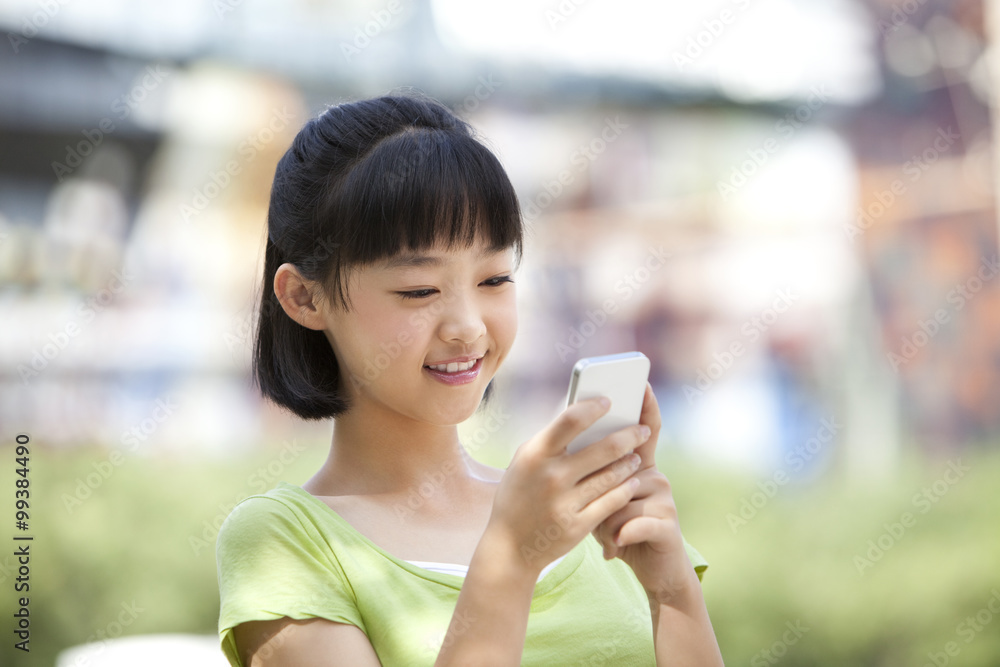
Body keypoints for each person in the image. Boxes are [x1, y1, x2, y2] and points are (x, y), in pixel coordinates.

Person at [215, 92, 724, 666]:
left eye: (494, 279)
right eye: (418, 290)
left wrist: (671, 588)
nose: (467, 327)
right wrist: (509, 558)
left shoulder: (572, 513)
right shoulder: (286, 540)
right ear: (304, 297)